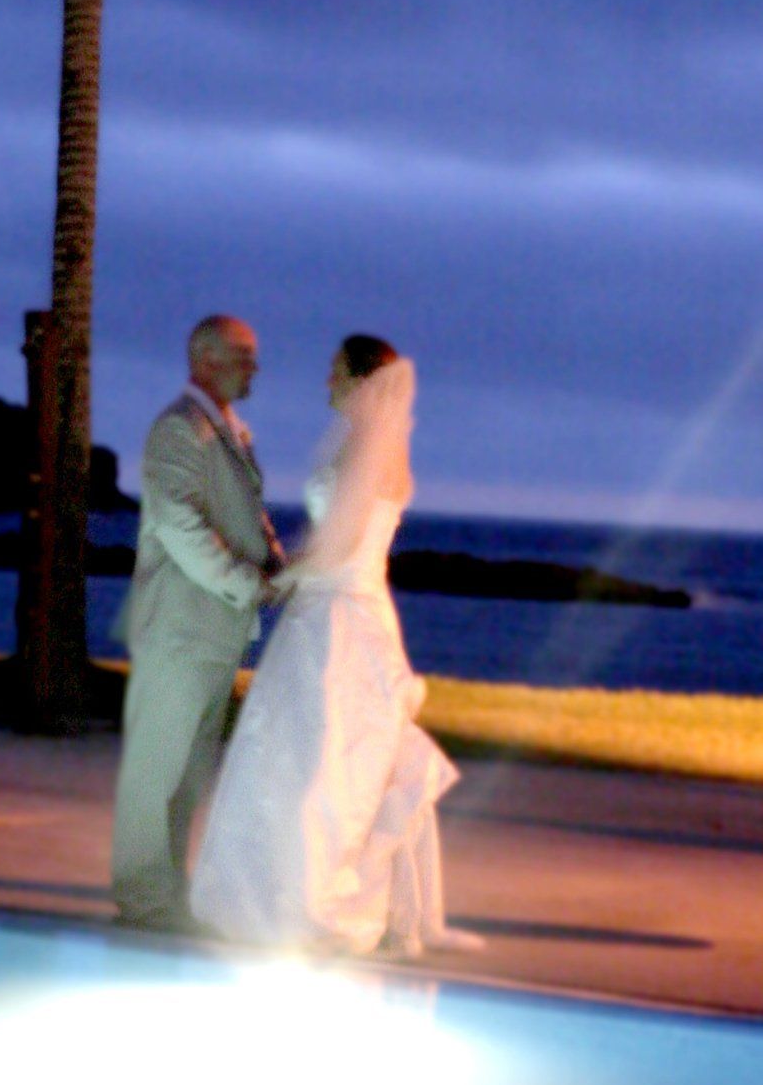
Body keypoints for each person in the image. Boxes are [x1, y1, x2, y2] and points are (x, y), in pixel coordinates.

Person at [190, 334, 484, 959]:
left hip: (339, 623)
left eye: (334, 375)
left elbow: (340, 546)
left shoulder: (365, 449)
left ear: (358, 381)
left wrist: (278, 578)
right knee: (322, 758)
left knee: (319, 764)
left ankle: (303, 900)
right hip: (351, 609)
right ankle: (289, 889)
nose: (327, 385)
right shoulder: (378, 450)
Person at [110, 315, 285, 932]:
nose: (254, 367)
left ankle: (167, 894)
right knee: (157, 769)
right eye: (244, 354)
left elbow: (245, 515)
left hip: (214, 633)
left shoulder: (228, 433)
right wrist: (246, 582)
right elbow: (181, 524)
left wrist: (277, 562)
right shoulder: (177, 431)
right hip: (180, 629)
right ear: (205, 359)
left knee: (188, 774)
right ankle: (142, 897)